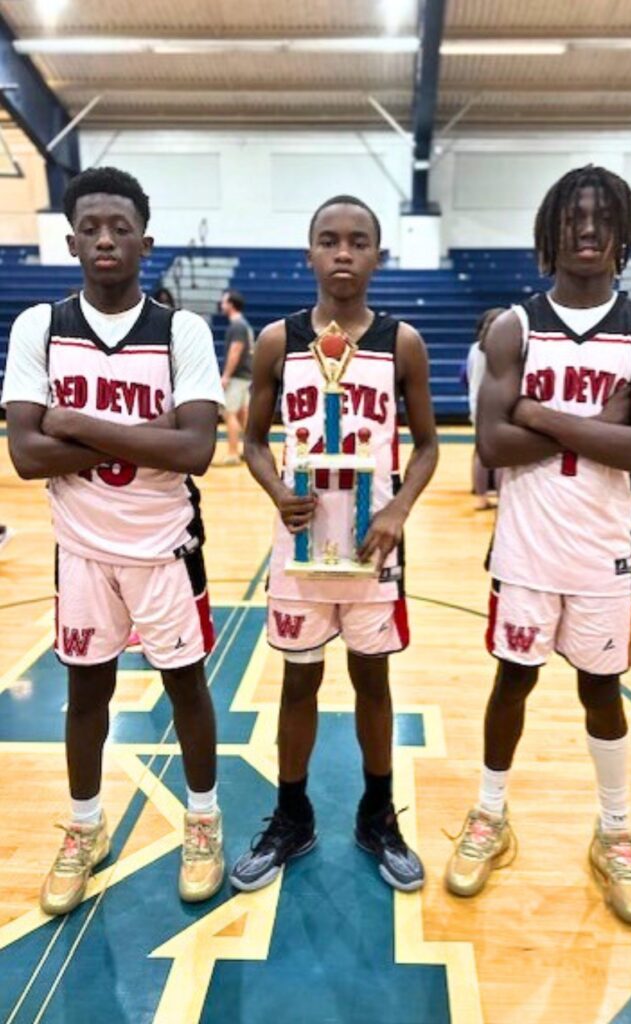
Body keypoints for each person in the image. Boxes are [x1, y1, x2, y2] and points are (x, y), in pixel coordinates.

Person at [445, 166, 631, 926]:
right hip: (524, 550)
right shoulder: (514, 327)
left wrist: (539, 413)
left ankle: (614, 832)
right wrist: (597, 425)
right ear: (550, 230)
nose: (588, 229)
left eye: (603, 216)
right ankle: (489, 815)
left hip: (603, 553)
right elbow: (490, 445)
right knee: (511, 681)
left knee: (600, 692)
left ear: (623, 232)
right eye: (574, 216)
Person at [1, 166, 226, 915]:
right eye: (91, 228)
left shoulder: (180, 330)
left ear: (145, 243)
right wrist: (142, 435)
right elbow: (26, 455)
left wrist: (74, 423)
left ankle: (203, 821)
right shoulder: (40, 327)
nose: (105, 239)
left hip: (164, 547)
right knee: (85, 694)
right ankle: (85, 826)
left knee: (186, 687)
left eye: (120, 228)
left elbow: (195, 449)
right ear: (70, 243)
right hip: (82, 550)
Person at [229, 195, 438, 893]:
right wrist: (274, 490)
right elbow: (254, 443)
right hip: (301, 546)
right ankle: (293, 817)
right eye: (329, 240)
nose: (342, 252)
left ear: (378, 255)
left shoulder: (402, 342)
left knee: (373, 681)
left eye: (357, 241)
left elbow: (429, 446)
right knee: (299, 681)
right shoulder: (276, 341)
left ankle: (377, 816)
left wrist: (399, 508)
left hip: (373, 546)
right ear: (309, 254)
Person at [467, 308, 504, 510]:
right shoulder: (501, 347)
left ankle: (481, 495)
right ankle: (500, 496)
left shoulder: (475, 348)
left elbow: (467, 376)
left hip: (477, 404)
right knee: (501, 455)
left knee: (480, 453)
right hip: (494, 405)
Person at [218, 289, 253, 466]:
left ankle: (233, 453)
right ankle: (250, 452)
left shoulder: (237, 326)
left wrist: (226, 376)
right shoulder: (244, 325)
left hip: (237, 377)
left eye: (224, 301)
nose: (221, 304)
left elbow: (235, 351)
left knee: (229, 413)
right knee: (242, 415)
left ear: (231, 305)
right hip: (246, 376)